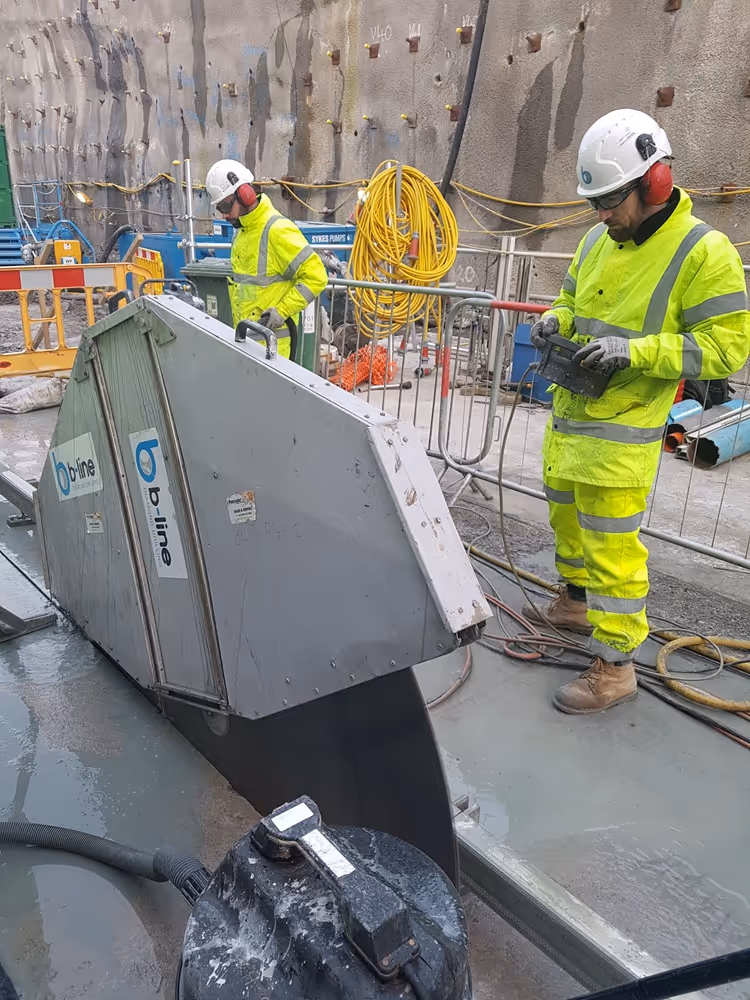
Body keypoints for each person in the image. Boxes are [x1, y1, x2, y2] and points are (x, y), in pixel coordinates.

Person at [527, 108, 750, 715]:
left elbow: (729, 347)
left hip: (621, 439)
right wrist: (557, 320)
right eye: (594, 202)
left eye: (610, 200)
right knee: (568, 526)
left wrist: (637, 352)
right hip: (571, 422)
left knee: (613, 550)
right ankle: (575, 602)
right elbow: (574, 297)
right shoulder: (600, 237)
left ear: (653, 183)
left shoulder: (705, 252)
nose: (600, 215)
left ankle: (615, 667)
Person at [205, 159, 327, 359]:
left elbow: (316, 276)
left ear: (245, 195)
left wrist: (281, 311)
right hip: (246, 342)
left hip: (273, 349)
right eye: (219, 209)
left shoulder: (277, 231)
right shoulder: (241, 232)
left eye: (226, 207)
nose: (224, 216)